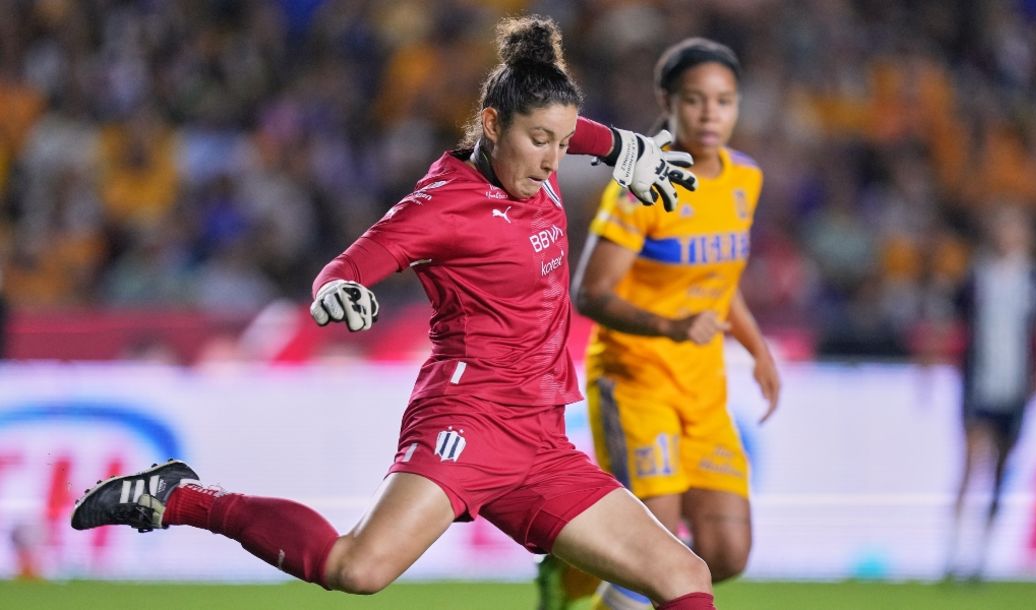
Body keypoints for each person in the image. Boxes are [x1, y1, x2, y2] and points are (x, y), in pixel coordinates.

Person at [71, 15, 720, 609]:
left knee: (684, 580)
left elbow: (569, 127)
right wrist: (339, 290)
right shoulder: (443, 205)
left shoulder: (534, 158)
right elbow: (348, 264)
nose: (553, 157)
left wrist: (621, 149)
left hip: (542, 439)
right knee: (358, 569)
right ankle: (179, 498)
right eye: (539, 141)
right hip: (469, 418)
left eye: (560, 142)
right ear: (493, 125)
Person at [537, 38, 780, 610]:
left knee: (727, 552)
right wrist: (671, 328)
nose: (709, 114)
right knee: (656, 547)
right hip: (635, 379)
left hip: (703, 388)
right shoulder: (644, 188)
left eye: (722, 101)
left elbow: (718, 285)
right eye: (695, 100)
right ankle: (583, 585)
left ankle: (568, 569)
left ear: (738, 106)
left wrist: (757, 348)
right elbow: (590, 293)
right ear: (667, 102)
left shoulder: (745, 180)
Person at [938, 205, 1036, 581]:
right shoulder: (976, 277)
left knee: (999, 470)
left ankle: (980, 556)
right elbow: (949, 322)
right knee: (970, 462)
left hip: (1015, 387)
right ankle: (953, 553)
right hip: (979, 384)